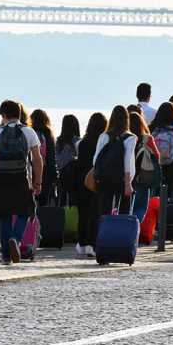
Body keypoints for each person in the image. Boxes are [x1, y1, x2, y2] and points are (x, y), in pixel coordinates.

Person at [0, 100, 43, 265]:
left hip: (1, 178)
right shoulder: (29, 132)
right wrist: (38, 182)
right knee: (25, 211)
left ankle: (6, 256)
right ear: (20, 114)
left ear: (4, 115)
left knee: (5, 214)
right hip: (22, 178)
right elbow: (37, 159)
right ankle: (15, 238)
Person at [92, 105, 136, 217]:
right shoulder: (130, 138)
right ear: (127, 119)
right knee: (123, 214)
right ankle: (120, 234)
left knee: (104, 214)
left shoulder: (103, 136)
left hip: (104, 180)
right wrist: (127, 184)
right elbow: (126, 161)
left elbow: (95, 160)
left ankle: (105, 233)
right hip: (121, 181)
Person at [74, 113, 107, 257]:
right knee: (95, 214)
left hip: (82, 181)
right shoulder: (104, 142)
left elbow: (80, 163)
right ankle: (91, 244)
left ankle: (82, 244)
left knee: (82, 215)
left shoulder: (83, 142)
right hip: (96, 181)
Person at [129, 111, 161, 222]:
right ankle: (135, 227)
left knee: (127, 207)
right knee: (141, 207)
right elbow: (157, 156)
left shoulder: (125, 138)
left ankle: (128, 227)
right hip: (143, 175)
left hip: (127, 176)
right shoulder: (147, 139)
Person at [149, 101, 173, 198]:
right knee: (168, 197)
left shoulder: (151, 128)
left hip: (153, 168)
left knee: (152, 198)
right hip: (171, 169)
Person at [30, 109, 58, 206]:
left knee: (29, 205)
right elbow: (51, 158)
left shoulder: (30, 134)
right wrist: (54, 176)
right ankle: (40, 221)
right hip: (44, 175)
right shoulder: (48, 135)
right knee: (43, 205)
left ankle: (30, 221)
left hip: (30, 173)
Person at [55, 114, 80, 206]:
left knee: (61, 204)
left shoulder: (58, 142)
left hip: (61, 178)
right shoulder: (77, 141)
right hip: (73, 179)